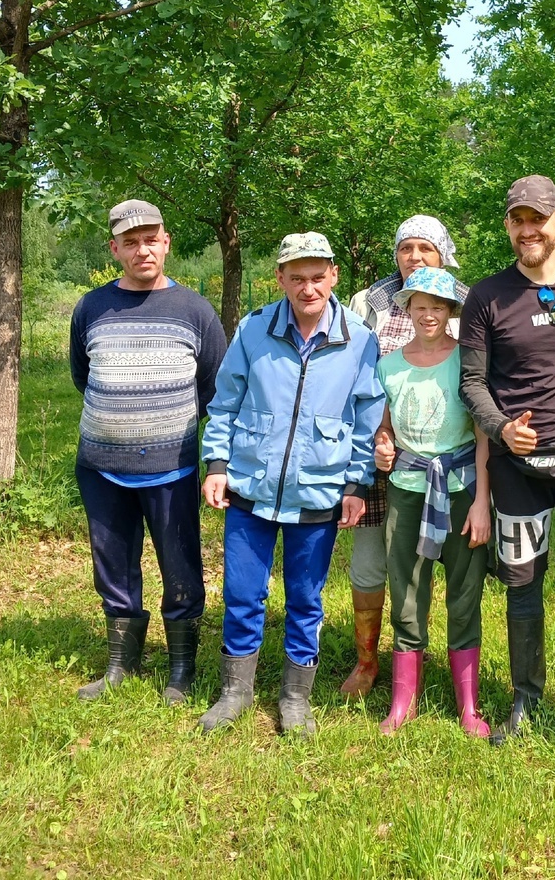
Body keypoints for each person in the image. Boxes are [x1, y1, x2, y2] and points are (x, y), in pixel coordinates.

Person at [198, 232, 384, 737]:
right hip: (250, 487)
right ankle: (235, 691)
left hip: (318, 491)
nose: (308, 288)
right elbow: (224, 403)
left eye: (318, 277)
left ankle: (295, 696)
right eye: (297, 278)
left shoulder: (360, 340)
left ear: (334, 276)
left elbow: (367, 421)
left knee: (306, 599)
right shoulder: (253, 329)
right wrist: (216, 465)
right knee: (242, 592)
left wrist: (356, 485)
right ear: (280, 278)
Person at [459, 174, 555, 758]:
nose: (528, 230)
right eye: (518, 219)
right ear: (508, 225)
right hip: (515, 466)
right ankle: (525, 698)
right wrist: (502, 427)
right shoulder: (485, 296)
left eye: (538, 219)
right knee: (521, 586)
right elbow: (471, 382)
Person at [70, 199, 227, 703]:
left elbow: (216, 389)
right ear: (115, 248)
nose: (143, 250)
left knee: (180, 567)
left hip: (171, 468)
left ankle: (181, 669)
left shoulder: (195, 310)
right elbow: (83, 376)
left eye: (151, 240)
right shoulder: (91, 308)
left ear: (167, 243)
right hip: (102, 467)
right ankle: (121, 663)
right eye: (131, 242)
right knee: (113, 565)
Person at [340, 216, 469, 698]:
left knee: (433, 563)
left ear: (442, 256)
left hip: (442, 461)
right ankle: (368, 660)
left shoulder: (463, 305)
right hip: (376, 454)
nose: (414, 256)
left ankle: (423, 650)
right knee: (371, 561)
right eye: (405, 248)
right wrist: (376, 437)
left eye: (425, 248)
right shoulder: (367, 304)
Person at [373, 267, 492, 736]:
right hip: (408, 488)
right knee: (406, 589)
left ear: (450, 311)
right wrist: (383, 445)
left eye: (437, 307)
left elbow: (483, 436)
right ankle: (403, 700)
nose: (428, 315)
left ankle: (468, 704)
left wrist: (482, 502)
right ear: (407, 309)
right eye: (419, 306)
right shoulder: (389, 365)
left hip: (461, 489)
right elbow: (384, 427)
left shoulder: (467, 361)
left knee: (465, 591)